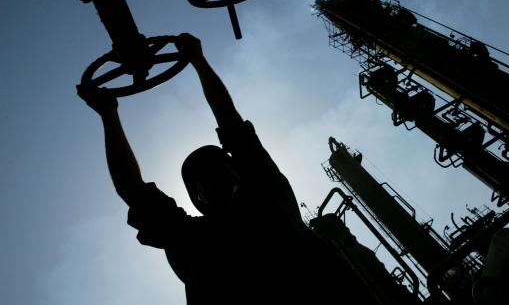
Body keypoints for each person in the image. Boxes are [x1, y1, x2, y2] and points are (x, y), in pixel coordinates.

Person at [77, 33, 376, 305]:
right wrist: (108, 115)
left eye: (218, 163)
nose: (212, 171)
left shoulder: (269, 194)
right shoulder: (192, 238)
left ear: (237, 170)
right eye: (201, 177)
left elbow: (231, 122)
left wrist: (199, 62)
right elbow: (132, 190)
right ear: (199, 199)